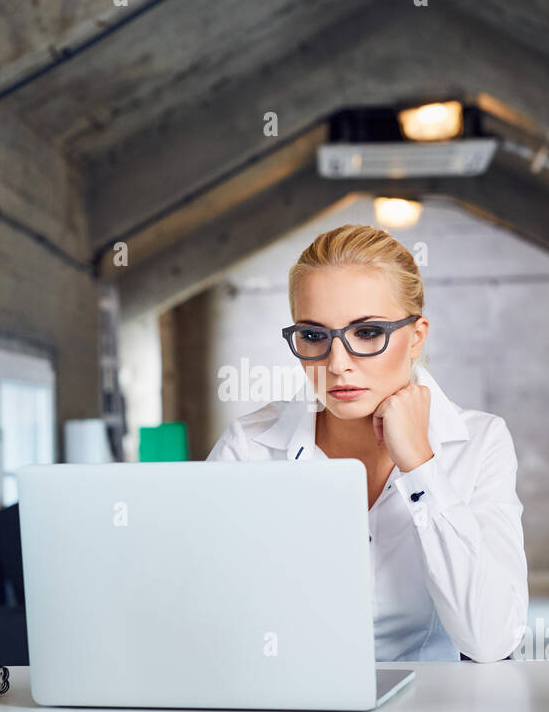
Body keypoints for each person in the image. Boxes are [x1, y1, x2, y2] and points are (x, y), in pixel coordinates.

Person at [206, 224, 528, 661]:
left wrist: (420, 465)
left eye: (368, 333)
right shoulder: (251, 447)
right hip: (292, 708)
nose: (338, 364)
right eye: (314, 336)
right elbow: (207, 616)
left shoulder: (479, 442)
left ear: (416, 337)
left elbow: (491, 640)